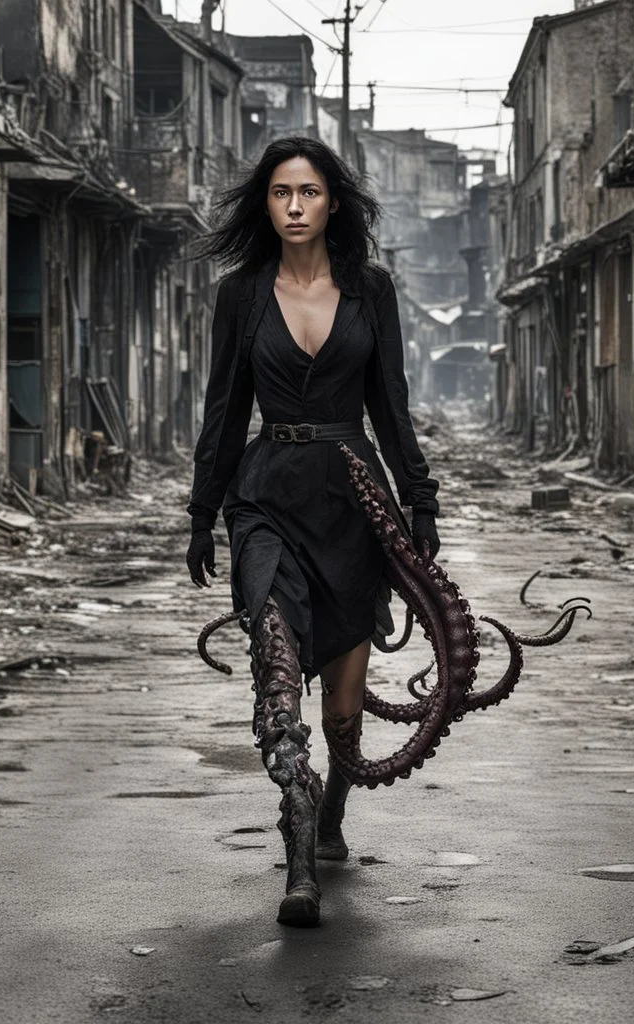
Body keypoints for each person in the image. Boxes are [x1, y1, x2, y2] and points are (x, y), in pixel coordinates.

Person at [185, 137, 440, 928]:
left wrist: (419, 497)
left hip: (353, 502)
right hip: (265, 498)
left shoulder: (372, 290)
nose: (294, 206)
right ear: (265, 205)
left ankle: (331, 809)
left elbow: (391, 404)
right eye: (280, 193)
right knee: (273, 668)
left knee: (339, 708)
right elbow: (225, 409)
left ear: (334, 203)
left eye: (310, 193)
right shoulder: (241, 294)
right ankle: (299, 863)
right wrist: (204, 511)